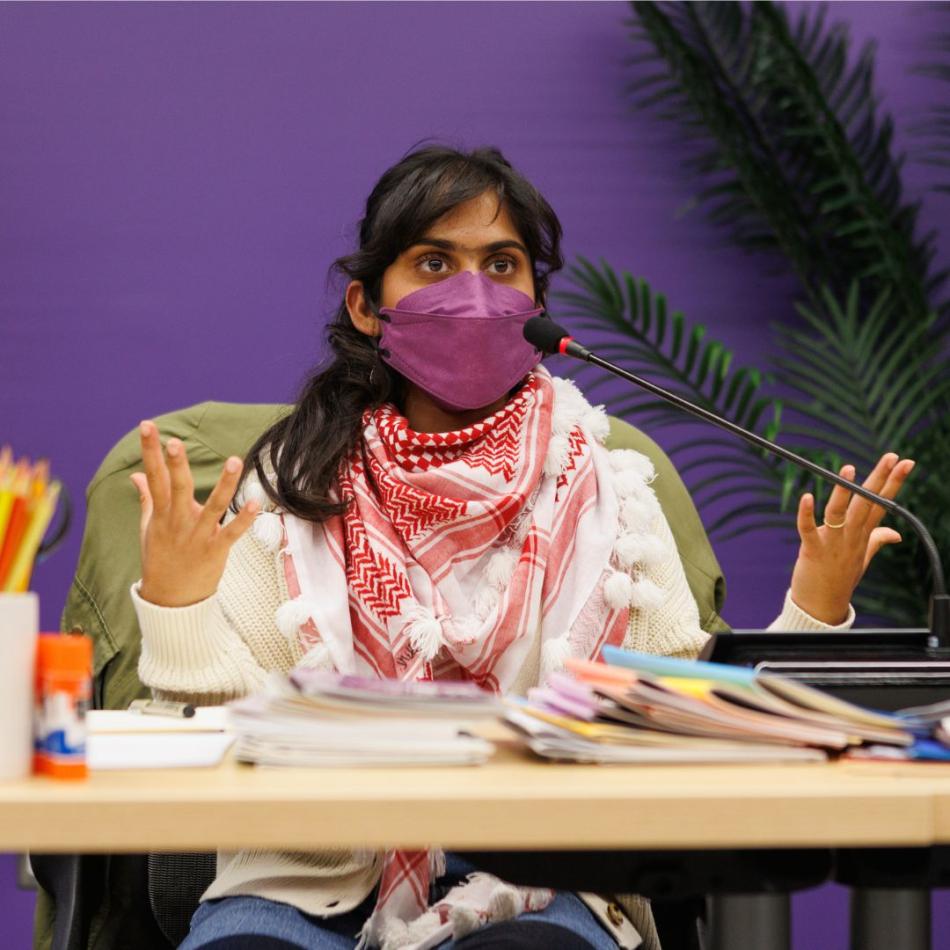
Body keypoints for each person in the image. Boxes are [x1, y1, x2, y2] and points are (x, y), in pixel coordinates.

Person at [128, 145, 914, 950]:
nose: (471, 293)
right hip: (302, 884)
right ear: (368, 306)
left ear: (537, 304)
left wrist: (814, 608)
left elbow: (683, 730)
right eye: (433, 262)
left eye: (501, 264)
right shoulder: (289, 492)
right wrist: (179, 604)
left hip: (547, 882)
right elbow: (224, 744)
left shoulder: (613, 494)